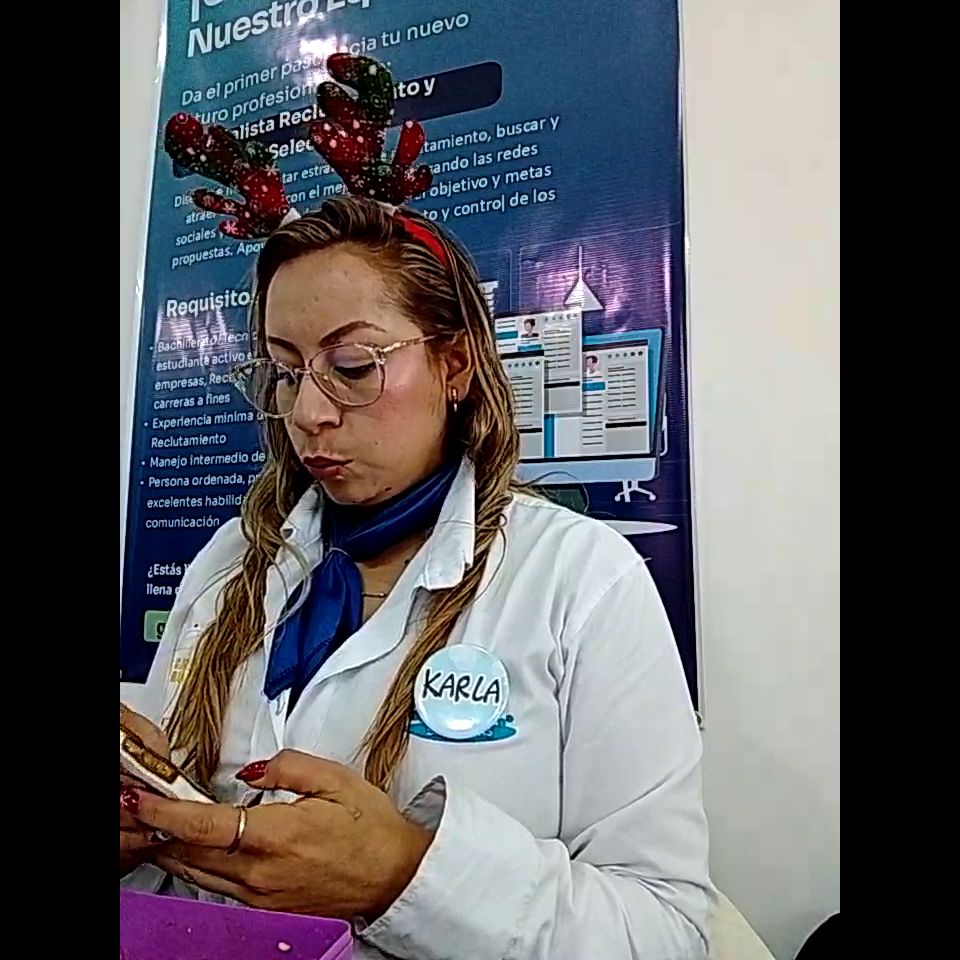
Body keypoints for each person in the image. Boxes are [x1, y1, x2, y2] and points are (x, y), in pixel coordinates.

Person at [121, 54, 713, 960]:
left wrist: (404, 876)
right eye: (284, 371)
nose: (308, 413)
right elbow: (173, 865)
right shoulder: (232, 562)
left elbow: (666, 933)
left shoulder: (578, 580)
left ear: (454, 364)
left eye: (353, 366)